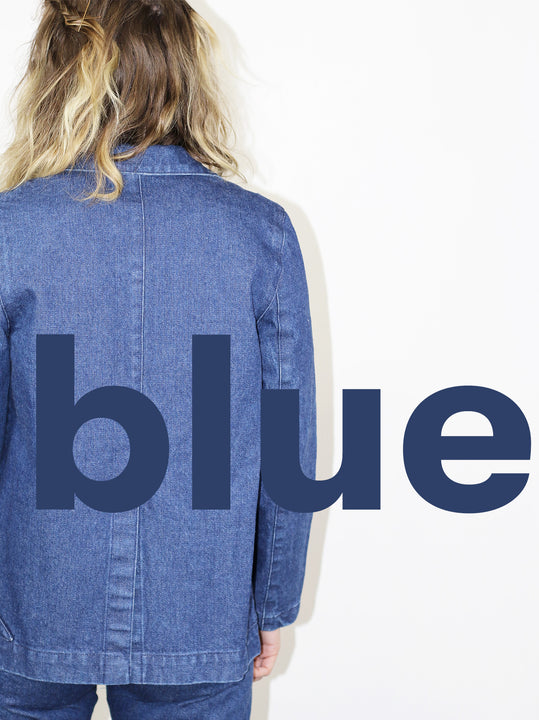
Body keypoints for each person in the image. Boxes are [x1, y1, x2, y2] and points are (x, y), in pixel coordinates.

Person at [0, 0, 317, 717]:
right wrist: (273, 602)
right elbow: (288, 450)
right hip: (200, 609)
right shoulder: (261, 234)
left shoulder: (12, 229)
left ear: (60, 75)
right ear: (186, 75)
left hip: (30, 608)